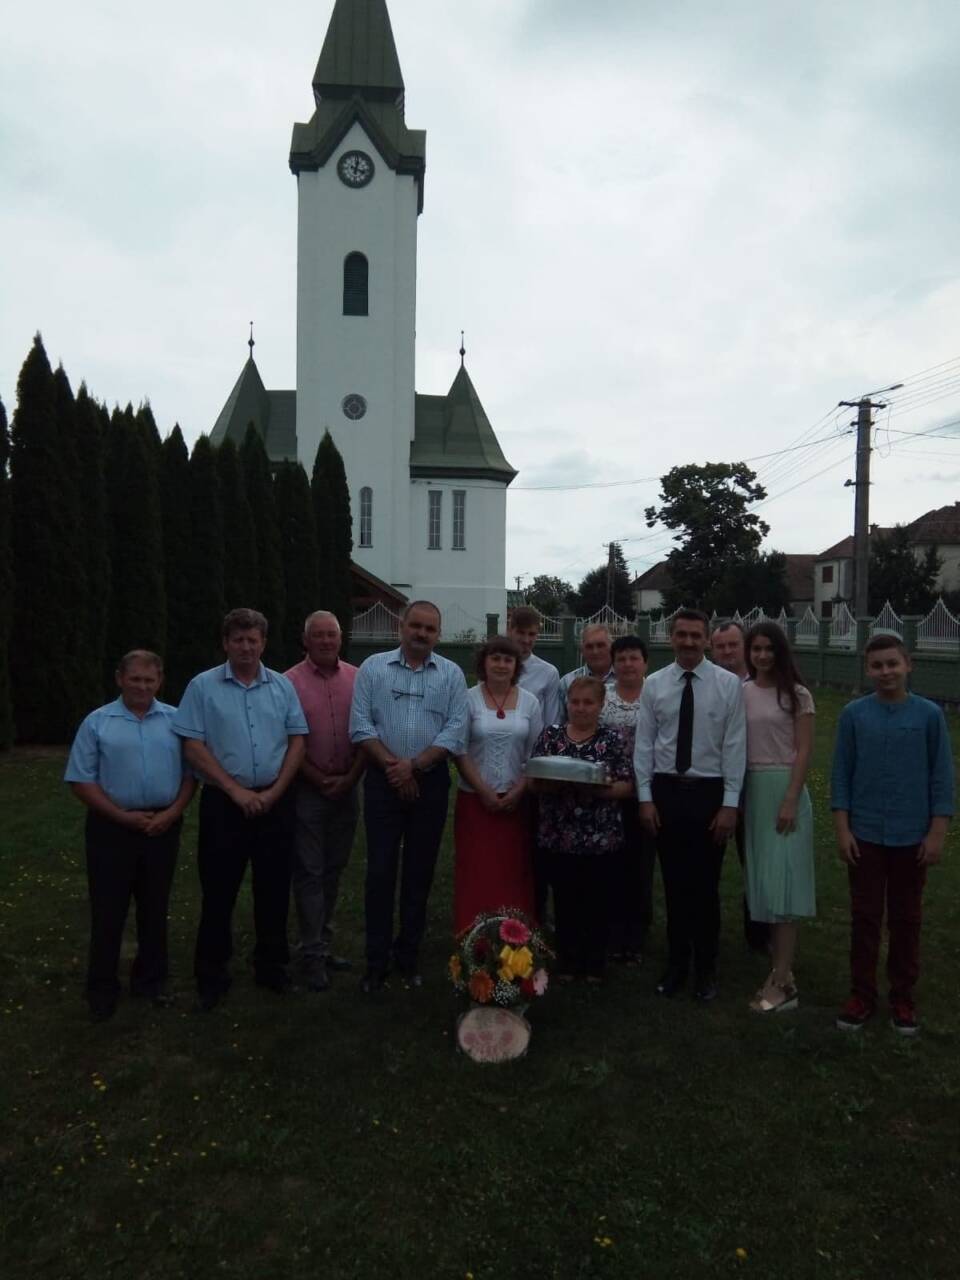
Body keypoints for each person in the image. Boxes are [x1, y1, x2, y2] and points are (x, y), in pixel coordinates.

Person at [173, 608, 307, 1010]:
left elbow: (297, 741)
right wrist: (235, 791)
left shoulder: (282, 687)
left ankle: (272, 967)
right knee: (218, 891)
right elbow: (192, 745)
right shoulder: (202, 687)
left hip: (275, 802)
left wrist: (276, 791)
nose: (246, 647)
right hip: (224, 804)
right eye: (238, 640)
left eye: (253, 640)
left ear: (263, 643)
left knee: (274, 889)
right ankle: (212, 975)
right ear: (225, 643)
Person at [831, 633, 954, 1035]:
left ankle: (903, 996)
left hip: (911, 836)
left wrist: (937, 832)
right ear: (867, 669)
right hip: (865, 834)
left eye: (892, 664)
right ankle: (862, 994)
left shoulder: (929, 716)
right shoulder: (853, 715)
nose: (886, 672)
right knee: (865, 917)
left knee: (906, 919)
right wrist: (843, 829)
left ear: (908, 665)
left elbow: (941, 777)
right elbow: (841, 775)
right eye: (877, 665)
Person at [65, 650, 196, 1020]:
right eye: (135, 679)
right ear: (120, 678)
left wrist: (172, 814)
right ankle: (102, 988)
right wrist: (122, 817)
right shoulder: (97, 722)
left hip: (162, 826)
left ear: (160, 681)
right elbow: (80, 780)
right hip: (111, 829)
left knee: (155, 907)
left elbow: (191, 775)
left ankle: (151, 981)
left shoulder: (176, 721)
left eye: (149, 680)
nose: (142, 686)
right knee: (108, 910)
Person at [349, 600, 468, 991]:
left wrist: (414, 766)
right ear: (402, 626)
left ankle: (408, 957)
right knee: (380, 872)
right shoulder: (373, 668)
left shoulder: (451, 674)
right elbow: (361, 726)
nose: (421, 634)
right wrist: (396, 769)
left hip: (429, 783)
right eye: (416, 626)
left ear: (438, 634)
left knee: (419, 873)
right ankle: (376, 961)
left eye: (430, 629)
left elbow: (455, 731)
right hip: (383, 783)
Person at [634, 608, 745, 1002]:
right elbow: (644, 745)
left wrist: (729, 804)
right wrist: (645, 798)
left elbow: (735, 746)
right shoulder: (654, 684)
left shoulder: (728, 685)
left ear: (707, 639)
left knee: (706, 886)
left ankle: (706, 968)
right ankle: (677, 964)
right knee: (674, 884)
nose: (688, 642)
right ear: (671, 637)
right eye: (681, 634)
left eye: (696, 635)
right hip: (667, 791)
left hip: (708, 793)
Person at [529, 676, 635, 982]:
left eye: (588, 702)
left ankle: (594, 963)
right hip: (559, 835)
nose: (581, 708)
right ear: (567, 703)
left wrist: (599, 789)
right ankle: (567, 960)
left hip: (599, 837)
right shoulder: (551, 736)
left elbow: (627, 786)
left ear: (601, 705)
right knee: (565, 900)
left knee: (597, 900)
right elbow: (533, 781)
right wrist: (549, 784)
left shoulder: (612, 739)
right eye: (575, 702)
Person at [285, 610, 364, 992]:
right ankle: (312, 953)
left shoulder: (358, 678)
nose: (326, 641)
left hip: (348, 788)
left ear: (340, 638)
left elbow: (367, 732)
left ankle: (322, 942)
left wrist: (349, 779)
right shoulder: (288, 683)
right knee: (309, 871)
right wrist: (318, 779)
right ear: (306, 640)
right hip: (307, 790)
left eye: (331, 634)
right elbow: (287, 741)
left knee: (334, 869)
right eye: (318, 635)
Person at [741, 622, 816, 1013]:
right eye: (756, 649)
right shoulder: (743, 692)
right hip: (753, 790)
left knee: (785, 884)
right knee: (767, 885)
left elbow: (804, 750)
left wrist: (790, 798)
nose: (763, 655)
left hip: (784, 790)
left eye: (769, 648)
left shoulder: (797, 694)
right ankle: (781, 969)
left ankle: (783, 982)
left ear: (780, 651)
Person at [452, 635, 542, 934]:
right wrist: (484, 791)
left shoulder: (530, 702)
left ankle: (515, 938)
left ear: (516, 665)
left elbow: (536, 755)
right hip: (475, 802)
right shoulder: (467, 699)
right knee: (476, 869)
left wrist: (517, 791)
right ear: (484, 662)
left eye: (508, 659)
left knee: (513, 869)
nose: (501, 665)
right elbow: (459, 750)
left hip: (516, 804)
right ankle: (473, 938)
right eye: (495, 658)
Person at [711, 619, 772, 956]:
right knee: (709, 864)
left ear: (744, 646)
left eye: (733, 644)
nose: (727, 651)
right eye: (720, 646)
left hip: (756, 784)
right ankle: (707, 929)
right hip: (714, 785)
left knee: (756, 863)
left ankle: (758, 930)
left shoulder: (762, 684)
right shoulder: (710, 684)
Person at [600, 634, 656, 965]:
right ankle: (611, 931)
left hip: (646, 794)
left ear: (645, 662)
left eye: (634, 658)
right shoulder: (602, 697)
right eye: (621, 658)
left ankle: (636, 935)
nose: (628, 664)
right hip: (607, 794)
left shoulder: (657, 695)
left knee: (640, 865)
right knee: (610, 866)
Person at [508, 606, 561, 726]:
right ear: (510, 630)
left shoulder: (549, 673)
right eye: (521, 633)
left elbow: (552, 722)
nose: (526, 640)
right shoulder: (494, 669)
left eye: (531, 634)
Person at [558, 623, 615, 721]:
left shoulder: (625, 681)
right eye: (589, 647)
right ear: (582, 650)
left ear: (612, 647)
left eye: (600, 645)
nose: (595, 651)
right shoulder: (567, 682)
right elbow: (559, 721)